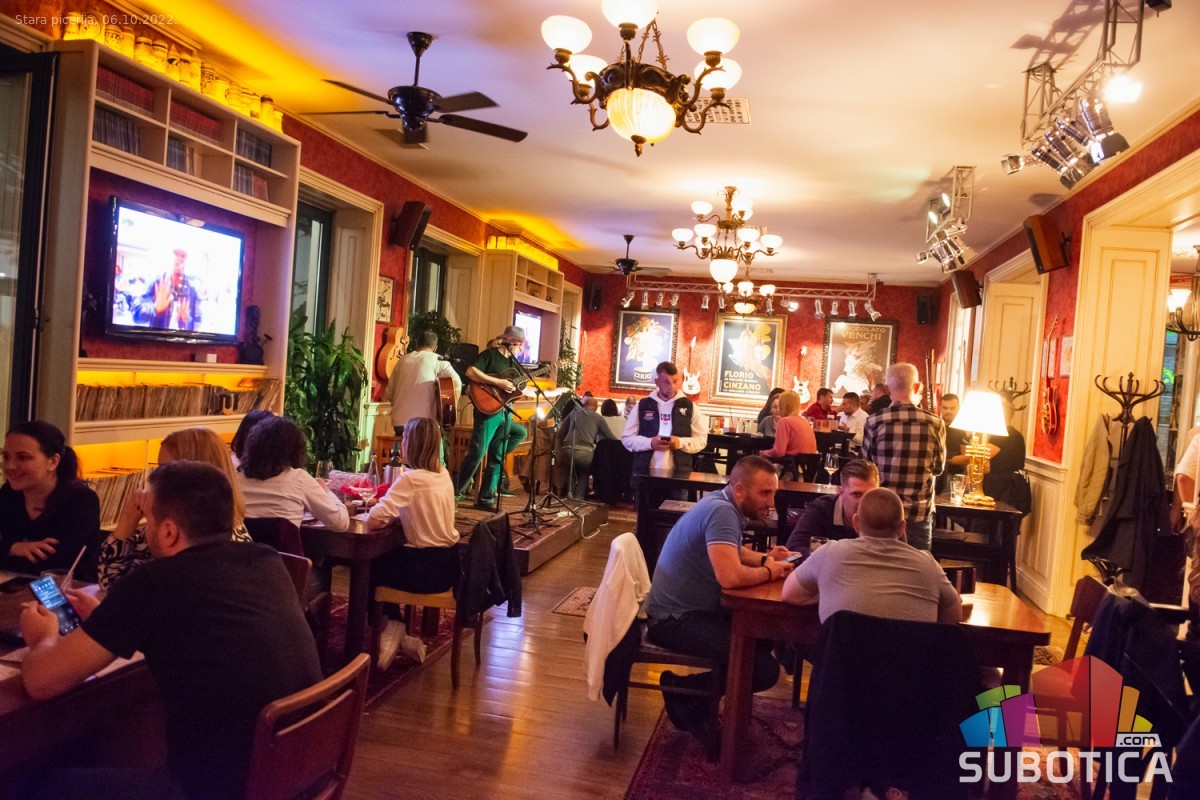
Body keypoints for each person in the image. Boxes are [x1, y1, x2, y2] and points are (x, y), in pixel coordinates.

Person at [20, 460, 322, 799]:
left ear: (168, 531)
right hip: (293, 774)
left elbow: (41, 681)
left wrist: (43, 636)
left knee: (33, 785)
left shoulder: (155, 582)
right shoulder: (265, 560)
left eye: (148, 520)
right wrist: (108, 619)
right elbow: (201, 633)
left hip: (212, 790)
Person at [646, 456, 795, 740]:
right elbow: (730, 577)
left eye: (773, 492)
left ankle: (691, 694)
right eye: (765, 492)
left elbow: (730, 549)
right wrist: (770, 571)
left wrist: (765, 558)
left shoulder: (721, 503)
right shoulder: (722, 512)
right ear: (739, 489)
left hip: (680, 610)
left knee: (762, 636)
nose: (772, 502)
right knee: (763, 669)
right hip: (673, 620)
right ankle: (686, 692)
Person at [100, 427, 253, 590]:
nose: (155, 479)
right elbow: (110, 583)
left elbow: (120, 591)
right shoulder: (173, 520)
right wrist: (128, 520)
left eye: (164, 469)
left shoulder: (215, 541)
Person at [781, 487, 962, 624]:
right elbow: (954, 615)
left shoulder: (828, 552)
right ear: (902, 528)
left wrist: (830, 590)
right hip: (906, 665)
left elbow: (789, 594)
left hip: (843, 663)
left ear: (856, 523)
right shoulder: (928, 565)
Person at [367, 417, 460, 667]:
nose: (402, 442)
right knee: (387, 558)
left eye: (405, 437)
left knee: (369, 565)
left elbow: (373, 520)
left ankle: (391, 627)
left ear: (413, 444)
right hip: (448, 565)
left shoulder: (410, 479)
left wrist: (382, 510)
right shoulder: (442, 474)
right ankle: (401, 634)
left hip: (425, 569)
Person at [0, 421, 100, 581]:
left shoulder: (81, 500)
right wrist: (14, 548)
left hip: (69, 591)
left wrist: (6, 551)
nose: (10, 466)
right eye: (6, 457)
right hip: (14, 586)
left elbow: (55, 567)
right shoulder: (8, 494)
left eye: (22, 457)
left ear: (53, 461)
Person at [861, 363, 945, 551]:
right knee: (917, 564)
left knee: (878, 561)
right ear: (917, 387)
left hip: (881, 510)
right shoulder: (935, 424)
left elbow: (866, 467)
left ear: (888, 388)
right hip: (918, 511)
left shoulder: (874, 422)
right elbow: (938, 468)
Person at [455, 325, 530, 508]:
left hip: (505, 411)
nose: (521, 348)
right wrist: (498, 382)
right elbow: (471, 371)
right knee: (478, 452)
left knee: (497, 455)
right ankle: (454, 491)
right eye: (520, 344)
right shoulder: (490, 355)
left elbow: (518, 389)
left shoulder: (514, 364)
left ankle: (486, 498)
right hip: (487, 411)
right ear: (511, 342)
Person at [236, 416, 349, 531]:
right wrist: (327, 491)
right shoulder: (299, 479)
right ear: (296, 450)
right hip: (284, 543)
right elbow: (341, 523)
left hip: (243, 542)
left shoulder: (235, 478)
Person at [622, 361, 707, 475]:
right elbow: (627, 439)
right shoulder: (643, 406)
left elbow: (701, 440)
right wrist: (650, 443)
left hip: (680, 475)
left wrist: (680, 442)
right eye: (666, 382)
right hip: (645, 474)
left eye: (675, 381)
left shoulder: (689, 406)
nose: (671, 387)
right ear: (657, 382)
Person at [786, 458, 880, 550]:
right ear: (841, 492)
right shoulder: (822, 509)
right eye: (857, 494)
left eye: (870, 494)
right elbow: (794, 548)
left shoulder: (883, 514)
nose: (864, 501)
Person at [383, 330, 461, 435]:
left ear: (417, 344)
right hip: (424, 425)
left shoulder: (402, 361)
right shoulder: (439, 361)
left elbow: (388, 394)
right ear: (435, 348)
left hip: (399, 425)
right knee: (438, 441)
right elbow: (456, 384)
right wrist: (448, 409)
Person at [557, 396, 617, 500]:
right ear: (595, 406)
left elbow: (561, 432)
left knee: (571, 470)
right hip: (585, 452)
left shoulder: (573, 413)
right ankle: (579, 497)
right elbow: (610, 436)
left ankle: (570, 495)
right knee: (585, 471)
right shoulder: (598, 417)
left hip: (568, 449)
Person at [133, 247, 201, 331]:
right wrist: (155, 308)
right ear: (171, 256)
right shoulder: (156, 282)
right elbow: (136, 314)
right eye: (176, 254)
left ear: (187, 259)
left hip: (180, 338)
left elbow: (196, 320)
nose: (179, 258)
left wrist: (184, 322)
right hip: (157, 338)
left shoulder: (191, 290)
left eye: (183, 255)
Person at [760, 390, 817, 459]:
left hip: (791, 464)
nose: (778, 409)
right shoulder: (805, 421)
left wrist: (763, 453)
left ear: (783, 405)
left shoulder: (784, 421)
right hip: (809, 464)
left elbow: (778, 452)